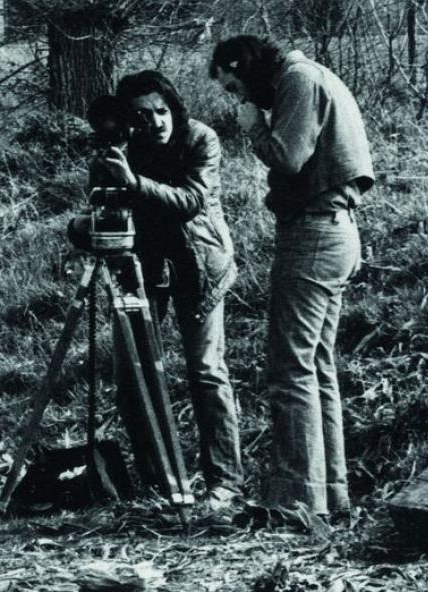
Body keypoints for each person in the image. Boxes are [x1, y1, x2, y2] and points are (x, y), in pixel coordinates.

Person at [208, 35, 373, 522]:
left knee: (290, 370)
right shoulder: (310, 76)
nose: (237, 97)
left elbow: (289, 157)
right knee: (315, 367)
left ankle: (295, 502)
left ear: (244, 65)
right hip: (331, 231)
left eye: (234, 84)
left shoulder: (299, 80)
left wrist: (254, 128)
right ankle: (328, 496)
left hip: (314, 234)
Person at [89, 70, 243, 509]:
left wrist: (133, 182)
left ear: (174, 107)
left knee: (206, 371)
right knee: (133, 376)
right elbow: (101, 214)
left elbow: (191, 199)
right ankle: (162, 485)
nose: (156, 122)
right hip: (141, 269)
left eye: (162, 111)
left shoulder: (200, 139)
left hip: (200, 264)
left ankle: (225, 484)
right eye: (142, 115)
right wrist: (90, 218)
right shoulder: (119, 148)